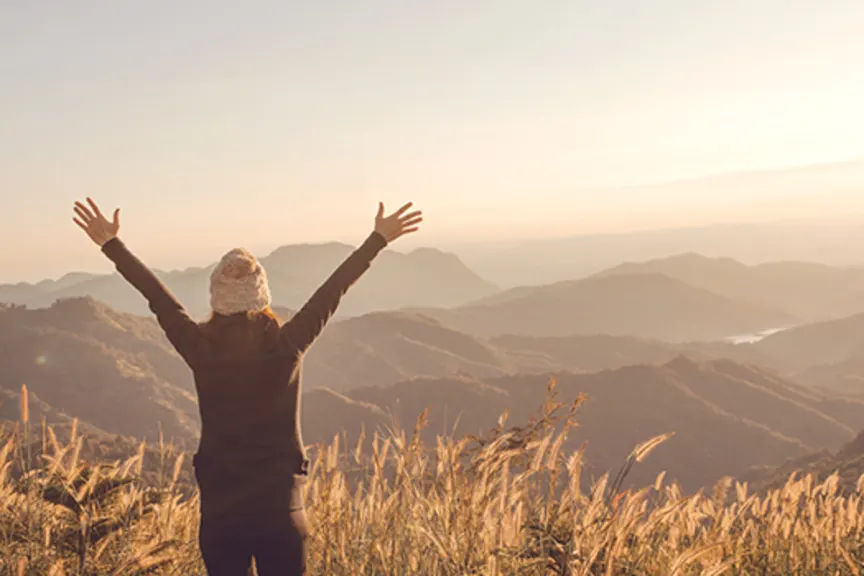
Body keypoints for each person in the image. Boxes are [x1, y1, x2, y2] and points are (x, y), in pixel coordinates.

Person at [72, 197, 423, 575]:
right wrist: (377, 239)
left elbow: (158, 299)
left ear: (215, 298)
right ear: (263, 294)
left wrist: (112, 245)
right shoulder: (288, 346)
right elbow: (331, 292)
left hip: (222, 516)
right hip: (282, 511)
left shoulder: (200, 349)